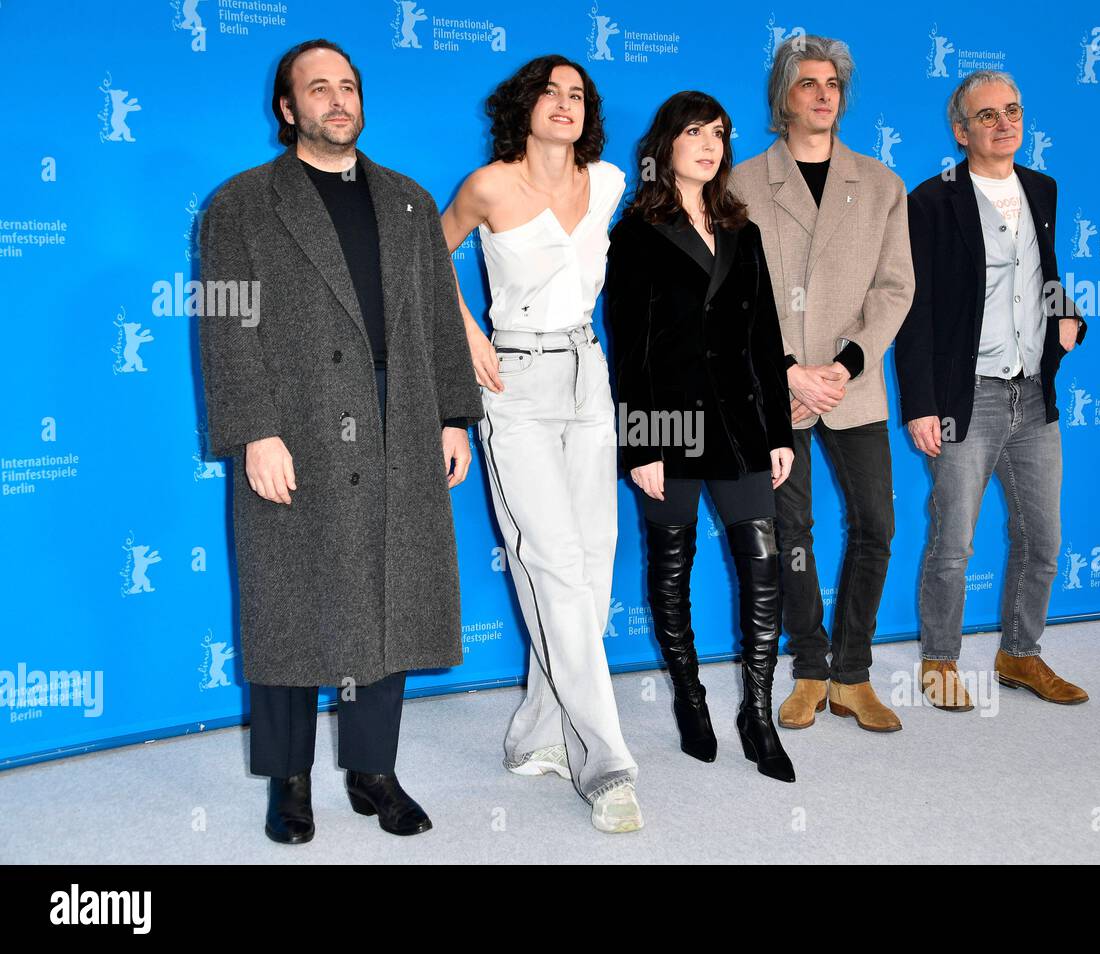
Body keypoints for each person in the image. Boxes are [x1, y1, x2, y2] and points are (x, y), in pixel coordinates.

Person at [197, 39, 482, 844]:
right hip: (297, 424)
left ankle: (372, 771)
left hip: (398, 417)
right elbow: (226, 327)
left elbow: (437, 319)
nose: (337, 100)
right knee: (289, 605)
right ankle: (288, 781)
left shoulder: (410, 202)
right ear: (287, 110)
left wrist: (452, 417)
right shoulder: (240, 205)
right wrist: (254, 431)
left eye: (348, 86)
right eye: (317, 89)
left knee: (386, 598)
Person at [440, 55, 642, 833]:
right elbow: (427, 254)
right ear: (523, 106)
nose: (565, 104)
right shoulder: (489, 184)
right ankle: (607, 763)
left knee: (589, 564)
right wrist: (465, 333)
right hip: (513, 381)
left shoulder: (612, 183)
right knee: (551, 563)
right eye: (551, 93)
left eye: (577, 95)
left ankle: (533, 736)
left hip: (589, 376)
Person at [608, 91, 797, 783]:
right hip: (670, 424)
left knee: (765, 568)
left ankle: (757, 711)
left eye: (718, 132)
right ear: (667, 143)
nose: (710, 142)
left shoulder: (742, 230)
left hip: (743, 425)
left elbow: (765, 335)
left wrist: (777, 429)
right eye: (695, 131)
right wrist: (641, 445)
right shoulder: (634, 233)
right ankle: (691, 699)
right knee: (672, 568)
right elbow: (629, 347)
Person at [730, 36, 915, 733]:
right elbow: (733, 297)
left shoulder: (882, 185)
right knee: (790, 530)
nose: (823, 93)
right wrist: (786, 372)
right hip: (771, 391)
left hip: (851, 387)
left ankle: (853, 673)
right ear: (784, 97)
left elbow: (895, 290)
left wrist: (843, 367)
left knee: (877, 524)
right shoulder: (742, 185)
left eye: (833, 82)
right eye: (808, 82)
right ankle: (810, 667)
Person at [894, 70, 1089, 710]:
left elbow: (1047, 277)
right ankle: (940, 660)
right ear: (960, 130)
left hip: (1033, 395)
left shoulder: (1042, 189)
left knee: (1045, 541)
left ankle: (1020, 655)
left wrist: (1068, 315)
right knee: (954, 542)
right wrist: (921, 403)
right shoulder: (931, 200)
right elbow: (913, 311)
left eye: (1013, 110)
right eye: (987, 115)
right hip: (964, 398)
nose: (1004, 123)